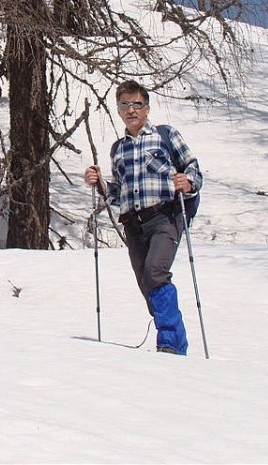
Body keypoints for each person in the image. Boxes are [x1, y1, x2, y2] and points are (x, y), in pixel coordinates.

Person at [84, 80, 203, 355]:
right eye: (125, 104)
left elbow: (193, 168)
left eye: (137, 104)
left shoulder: (166, 135)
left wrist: (188, 182)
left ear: (147, 108)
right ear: (118, 110)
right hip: (133, 224)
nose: (131, 110)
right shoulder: (118, 149)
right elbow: (118, 194)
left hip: (164, 216)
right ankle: (169, 332)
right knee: (146, 281)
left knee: (155, 272)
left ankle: (171, 344)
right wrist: (100, 184)